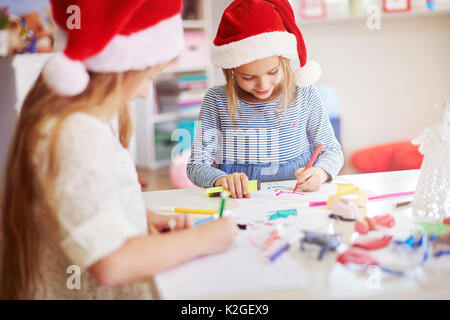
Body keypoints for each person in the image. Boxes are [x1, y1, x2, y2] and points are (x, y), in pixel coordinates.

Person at [0, 0, 237, 300]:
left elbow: (82, 204)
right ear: (116, 67)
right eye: (149, 76)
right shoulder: (75, 133)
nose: (144, 92)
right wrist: (203, 239)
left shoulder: (82, 121)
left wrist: (140, 216)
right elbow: (111, 262)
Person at [187, 0, 344, 198]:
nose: (263, 85)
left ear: (284, 61)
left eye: (272, 72)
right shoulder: (217, 100)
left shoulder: (305, 93)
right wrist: (220, 179)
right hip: (241, 202)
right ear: (231, 70)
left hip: (296, 198)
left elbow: (332, 150)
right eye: (248, 77)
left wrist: (320, 173)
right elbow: (196, 165)